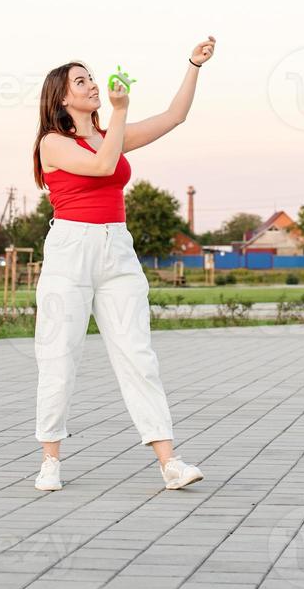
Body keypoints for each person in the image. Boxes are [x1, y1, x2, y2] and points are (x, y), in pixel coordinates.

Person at [30, 37, 215, 493]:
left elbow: (175, 116)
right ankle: (50, 460)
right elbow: (101, 166)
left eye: (91, 77)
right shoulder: (52, 143)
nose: (92, 84)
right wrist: (119, 111)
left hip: (117, 248)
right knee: (58, 356)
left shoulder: (110, 130)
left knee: (137, 356)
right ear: (62, 97)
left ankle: (169, 463)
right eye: (81, 81)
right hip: (70, 250)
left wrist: (193, 64)